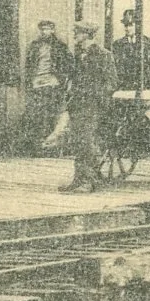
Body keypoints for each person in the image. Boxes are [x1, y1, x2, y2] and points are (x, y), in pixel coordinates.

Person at [51, 21, 116, 193]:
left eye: (78, 32)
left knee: (87, 142)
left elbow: (110, 83)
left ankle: (90, 182)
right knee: (79, 142)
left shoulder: (103, 55)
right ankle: (78, 180)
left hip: (92, 106)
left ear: (87, 34)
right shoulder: (79, 54)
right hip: (78, 105)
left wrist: (95, 100)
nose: (75, 35)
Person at [22, 20, 73, 155]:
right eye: (43, 29)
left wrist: (62, 79)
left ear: (52, 30)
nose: (45, 32)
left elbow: (68, 64)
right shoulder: (34, 46)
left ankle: (51, 146)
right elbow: (29, 65)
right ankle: (38, 146)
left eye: (48, 29)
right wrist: (30, 81)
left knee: (51, 114)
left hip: (52, 83)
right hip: (37, 83)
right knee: (37, 115)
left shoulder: (60, 46)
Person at [112, 8, 150, 92]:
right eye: (125, 25)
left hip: (144, 88)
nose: (127, 28)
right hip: (125, 88)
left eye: (130, 25)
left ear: (138, 25)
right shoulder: (117, 44)